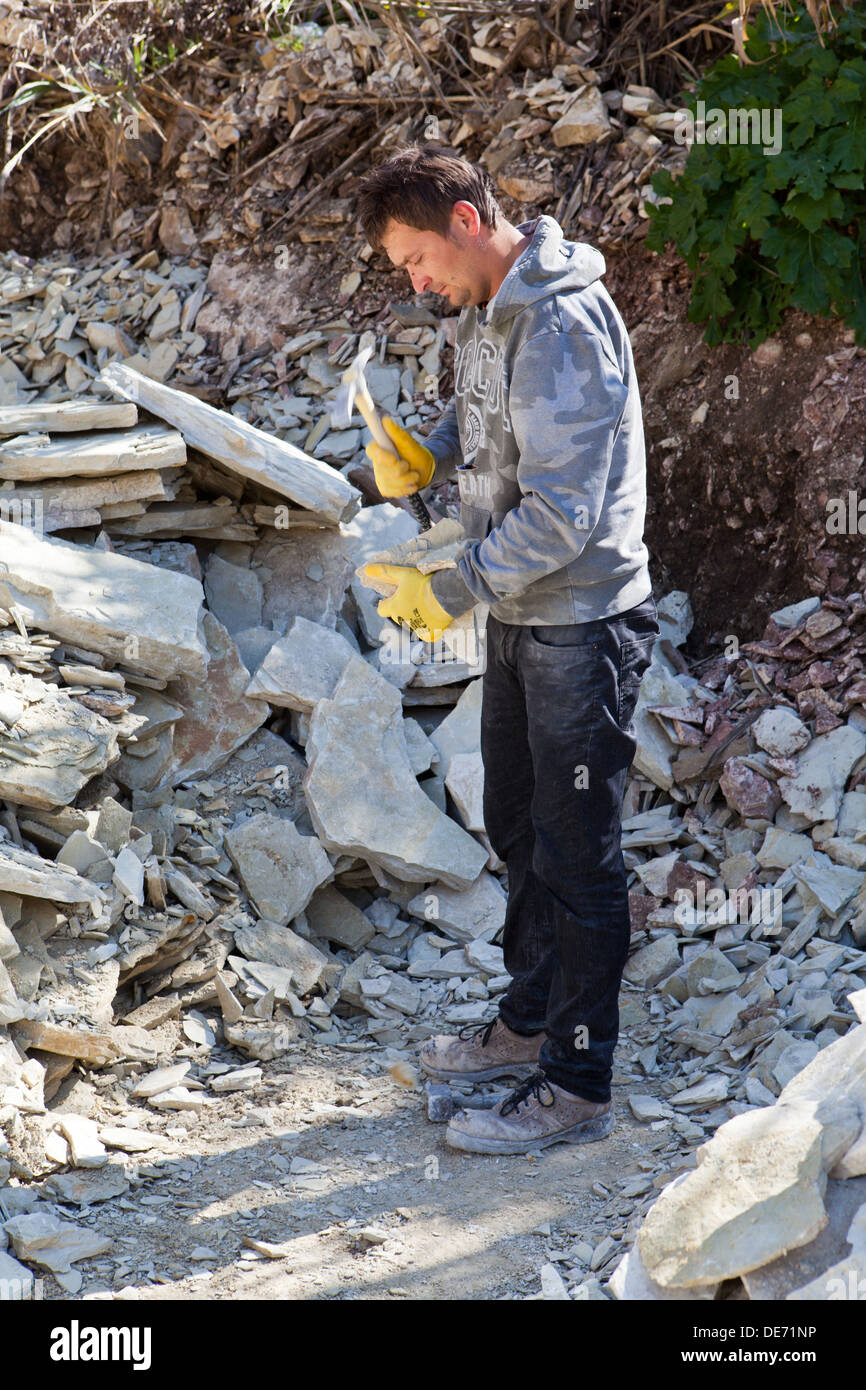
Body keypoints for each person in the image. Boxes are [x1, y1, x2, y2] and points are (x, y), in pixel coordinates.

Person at [355, 144, 659, 1155]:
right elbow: (491, 421)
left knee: (578, 856)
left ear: (464, 222)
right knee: (517, 825)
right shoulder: (491, 308)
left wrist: (446, 585)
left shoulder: (560, 321)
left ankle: (574, 1082)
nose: (415, 281)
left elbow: (563, 514)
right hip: (527, 613)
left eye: (414, 260)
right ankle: (525, 1023)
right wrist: (430, 450)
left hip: (578, 618)